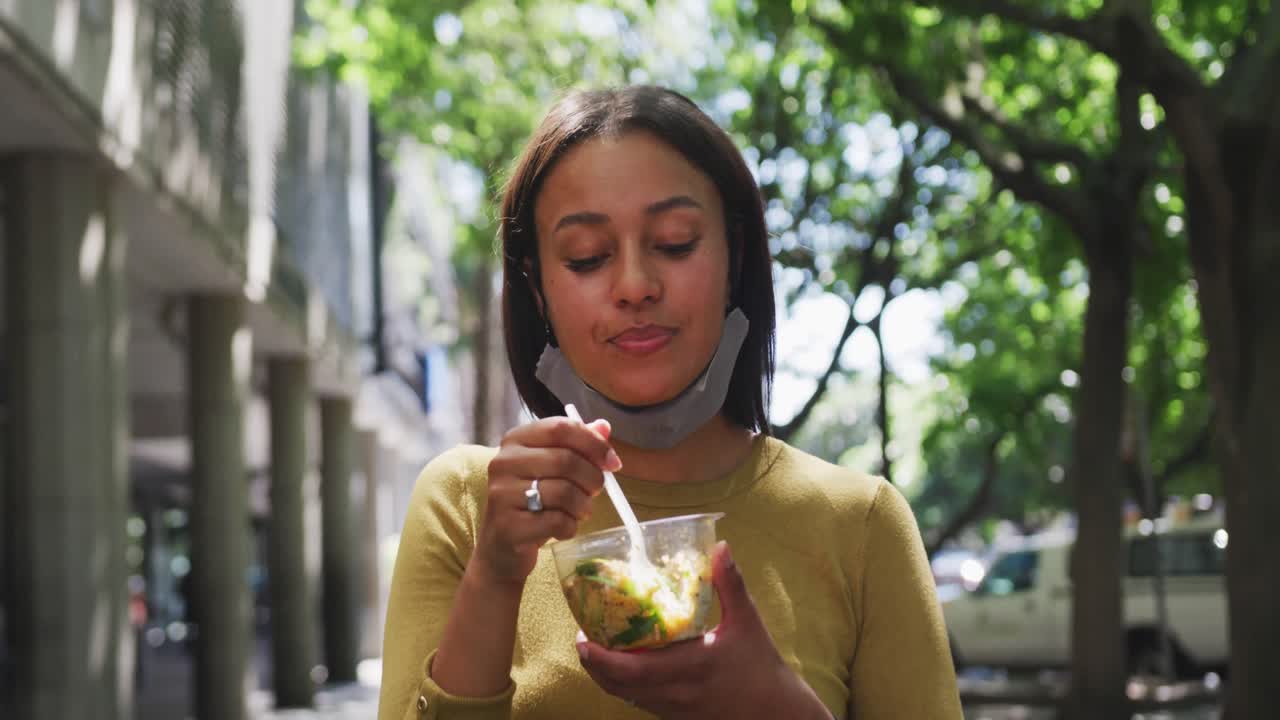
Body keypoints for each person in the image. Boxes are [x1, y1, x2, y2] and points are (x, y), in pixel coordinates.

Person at [378, 85, 962, 719]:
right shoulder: (467, 504)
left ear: (735, 257)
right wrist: (493, 578)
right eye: (587, 257)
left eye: (676, 242)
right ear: (538, 289)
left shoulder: (861, 524)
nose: (635, 285)